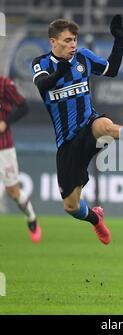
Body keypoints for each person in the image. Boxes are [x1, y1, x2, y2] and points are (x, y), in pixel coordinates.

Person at [31, 15, 123, 245]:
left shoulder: (82, 56)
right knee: (71, 206)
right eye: (67, 40)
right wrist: (62, 69)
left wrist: (119, 41)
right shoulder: (41, 63)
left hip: (88, 124)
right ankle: (96, 219)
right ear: (53, 42)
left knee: (106, 126)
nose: (73, 44)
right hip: (67, 142)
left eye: (74, 39)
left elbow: (111, 69)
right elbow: (43, 85)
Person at [0, 76, 41, 243]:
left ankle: (31, 218)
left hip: (3, 147)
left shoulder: (4, 84)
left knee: (14, 193)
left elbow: (23, 107)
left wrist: (5, 122)